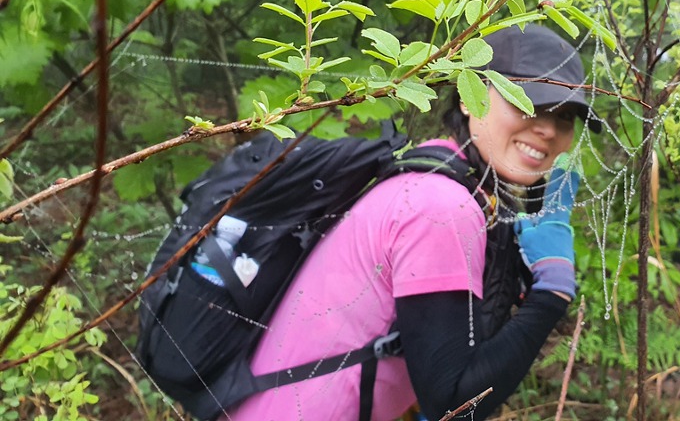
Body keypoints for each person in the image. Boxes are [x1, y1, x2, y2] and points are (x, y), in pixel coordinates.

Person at [225, 24, 600, 420]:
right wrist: (551, 293)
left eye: (565, 117)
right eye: (527, 103)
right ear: (469, 97)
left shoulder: (437, 172)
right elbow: (453, 408)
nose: (548, 129)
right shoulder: (441, 207)